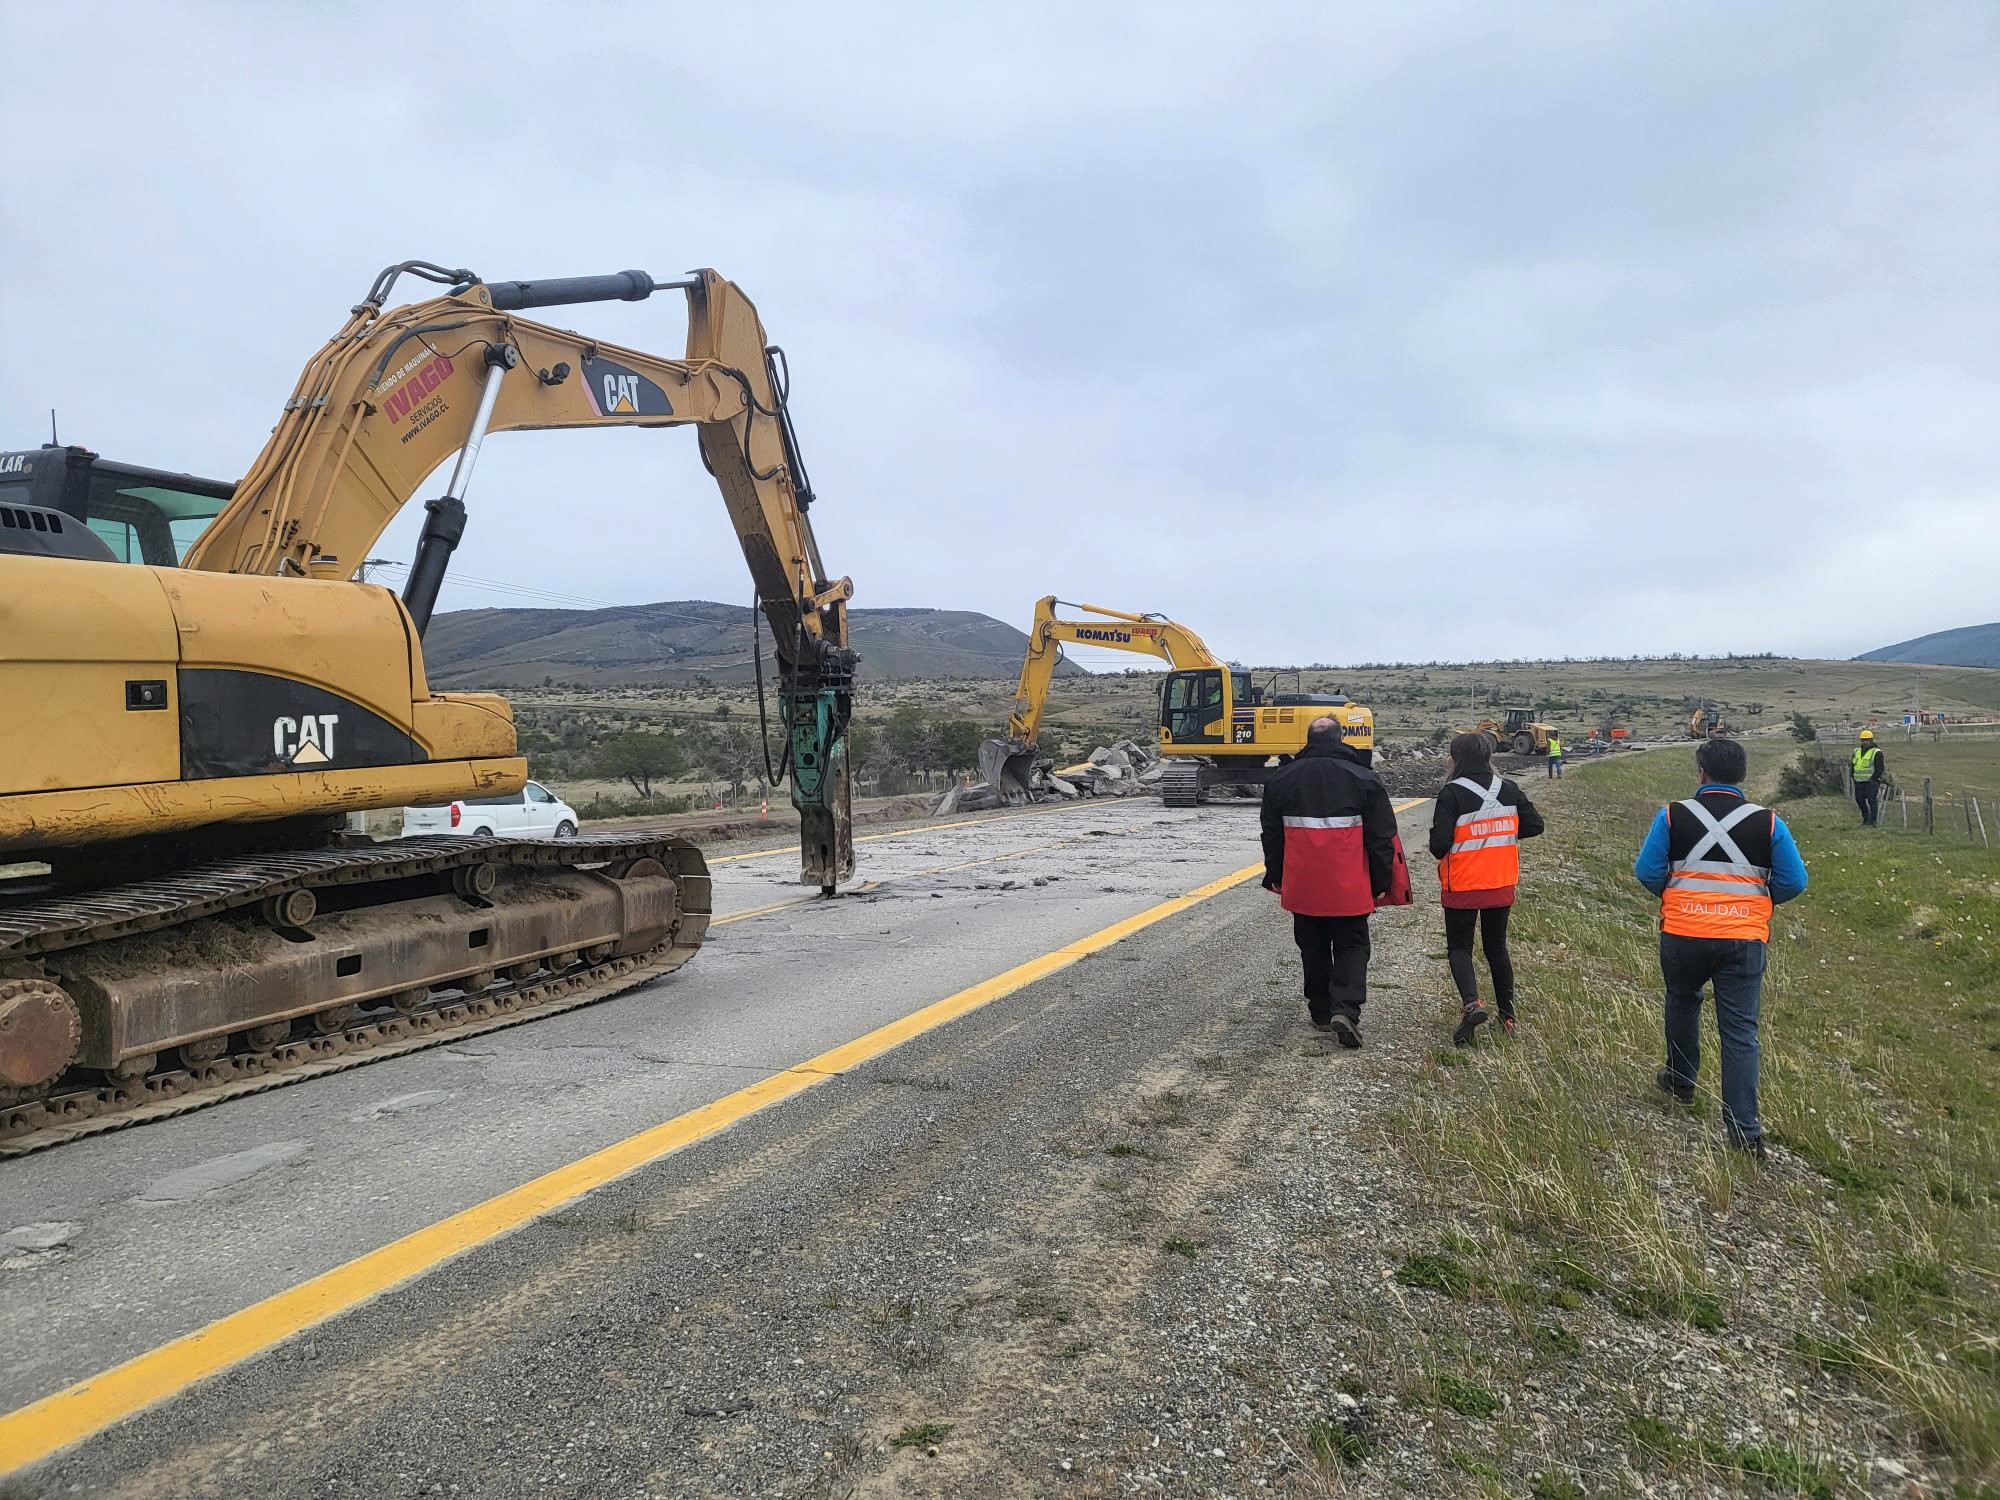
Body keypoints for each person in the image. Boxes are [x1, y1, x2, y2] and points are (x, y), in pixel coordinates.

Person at [1633, 738, 1808, 1160]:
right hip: (1743, 940)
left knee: (1681, 1002)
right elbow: (1794, 881)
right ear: (1742, 775)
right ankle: (1745, 1132)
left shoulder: (1672, 815)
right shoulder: (1769, 823)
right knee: (1740, 1033)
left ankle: (1680, 1082)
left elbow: (1647, 871)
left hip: (1683, 932)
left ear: (1702, 772)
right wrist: (1756, 904)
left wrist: (1679, 898)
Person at [1261, 718, 1403, 1048]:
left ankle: (1322, 1011)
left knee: (1312, 945)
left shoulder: (1280, 779)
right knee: (1352, 945)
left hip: (1303, 883)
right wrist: (1381, 881)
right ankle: (1346, 1009)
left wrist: (1276, 875)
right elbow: (1382, 837)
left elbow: (1272, 835)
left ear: (1308, 739)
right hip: (1350, 885)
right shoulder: (1364, 778)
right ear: (1341, 739)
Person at [1430, 731, 1545, 1043]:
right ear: (1488, 755)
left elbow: (1439, 845)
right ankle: (1507, 1017)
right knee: (1497, 948)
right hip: (1500, 881)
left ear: (1456, 758)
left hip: (1463, 884)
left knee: (1460, 948)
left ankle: (1472, 1005)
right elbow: (1535, 825)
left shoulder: (1451, 793)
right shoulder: (1508, 788)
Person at [1851, 729, 1887, 826]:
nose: (1865, 742)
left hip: (1871, 782)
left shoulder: (1877, 752)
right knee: (1859, 800)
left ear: (1871, 740)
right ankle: (1866, 819)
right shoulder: (1856, 751)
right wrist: (1853, 776)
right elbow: (1853, 764)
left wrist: (1874, 779)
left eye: (1867, 740)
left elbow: (1880, 768)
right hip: (1859, 781)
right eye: (1863, 740)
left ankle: (1872, 821)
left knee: (1872, 801)